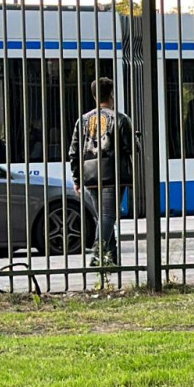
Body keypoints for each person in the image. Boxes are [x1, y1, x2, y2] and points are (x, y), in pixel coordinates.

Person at [66, 77, 136, 267]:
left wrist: (77, 178)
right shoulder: (120, 119)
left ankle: (111, 259)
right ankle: (98, 255)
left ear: (95, 96)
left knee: (103, 216)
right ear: (111, 95)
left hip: (90, 176)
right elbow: (133, 147)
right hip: (113, 176)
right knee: (107, 216)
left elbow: (74, 151)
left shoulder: (83, 120)